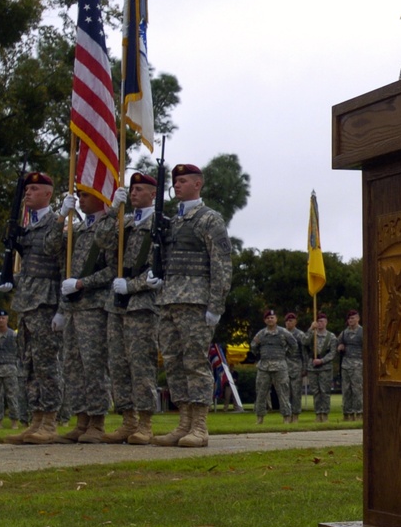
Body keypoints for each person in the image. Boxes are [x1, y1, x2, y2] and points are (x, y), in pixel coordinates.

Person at [151, 164, 232, 447]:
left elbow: (221, 263)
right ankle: (183, 422)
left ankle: (199, 426)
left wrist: (216, 305)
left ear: (198, 184)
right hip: (169, 300)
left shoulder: (210, 219)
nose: (177, 185)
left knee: (195, 361)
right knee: (174, 362)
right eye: (175, 181)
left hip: (196, 301)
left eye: (183, 181)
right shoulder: (172, 222)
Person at [0, 171, 73, 445]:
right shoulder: (27, 227)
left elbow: (63, 268)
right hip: (27, 303)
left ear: (48, 194)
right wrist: (9, 279)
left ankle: (50, 422)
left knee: (47, 365)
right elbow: (30, 269)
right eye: (26, 189)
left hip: (46, 304)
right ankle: (36, 420)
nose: (28, 193)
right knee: (28, 365)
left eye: (34, 188)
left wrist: (63, 310)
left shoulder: (57, 224)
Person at [99, 173, 161, 445]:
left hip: (142, 302)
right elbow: (101, 242)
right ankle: (128, 420)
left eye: (139, 189)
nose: (133, 193)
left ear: (152, 193)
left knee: (140, 363)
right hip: (117, 302)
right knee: (118, 363)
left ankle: (146, 423)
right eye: (131, 189)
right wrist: (113, 209)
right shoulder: (123, 222)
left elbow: (159, 269)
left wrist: (132, 286)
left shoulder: (159, 224)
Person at [58, 189, 115, 443]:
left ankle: (97, 422)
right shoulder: (78, 231)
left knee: (93, 365)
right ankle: (81, 420)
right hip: (72, 307)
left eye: (87, 195)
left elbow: (113, 269)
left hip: (94, 306)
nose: (81, 199)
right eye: (79, 195)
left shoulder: (108, 229)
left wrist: (82, 283)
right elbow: (60, 261)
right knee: (73, 366)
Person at [250, 309, 298, 424]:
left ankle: (286, 417)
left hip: (280, 366)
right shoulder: (261, 334)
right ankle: (260, 418)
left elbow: (294, 345)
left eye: (272, 317)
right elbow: (253, 347)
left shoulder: (284, 332)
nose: (270, 319)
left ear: (276, 319)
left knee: (283, 393)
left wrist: (286, 354)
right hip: (264, 367)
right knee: (261, 393)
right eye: (267, 318)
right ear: (265, 320)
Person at [304, 312, 336, 423]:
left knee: (325, 391)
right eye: (318, 321)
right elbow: (304, 341)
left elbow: (332, 353)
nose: (319, 323)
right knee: (315, 392)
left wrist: (322, 360)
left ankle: (325, 414)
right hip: (312, 367)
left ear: (326, 322)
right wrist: (310, 329)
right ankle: (318, 414)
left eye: (322, 321)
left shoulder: (331, 336)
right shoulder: (312, 334)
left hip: (325, 367)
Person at [337, 309, 363, 421]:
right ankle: (347, 413)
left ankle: (359, 413)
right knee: (346, 389)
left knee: (357, 389)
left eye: (353, 318)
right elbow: (337, 344)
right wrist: (340, 347)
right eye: (349, 318)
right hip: (346, 364)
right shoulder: (344, 333)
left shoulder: (362, 332)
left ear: (358, 318)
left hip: (358, 363)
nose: (350, 320)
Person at [284, 312, 307, 422]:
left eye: (291, 320)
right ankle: (286, 415)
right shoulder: (281, 333)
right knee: (285, 392)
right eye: (287, 321)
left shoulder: (300, 334)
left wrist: (305, 368)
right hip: (283, 366)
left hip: (296, 365)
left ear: (295, 322)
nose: (289, 322)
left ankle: (295, 415)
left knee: (296, 392)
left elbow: (304, 353)